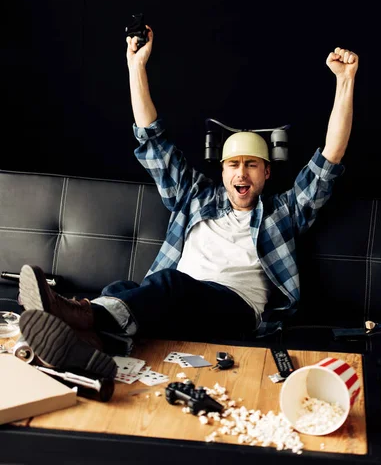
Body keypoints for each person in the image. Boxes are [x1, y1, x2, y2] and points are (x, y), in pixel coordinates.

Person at [18, 26, 359, 379]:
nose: (241, 173)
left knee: (168, 284)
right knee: (121, 291)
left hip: (234, 309)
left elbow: (329, 160)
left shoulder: (282, 213)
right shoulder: (195, 197)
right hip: (174, 304)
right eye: (233, 165)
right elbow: (153, 141)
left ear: (266, 173)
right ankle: (89, 349)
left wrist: (345, 82)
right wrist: (136, 66)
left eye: (252, 165)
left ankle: (76, 313)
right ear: (223, 170)